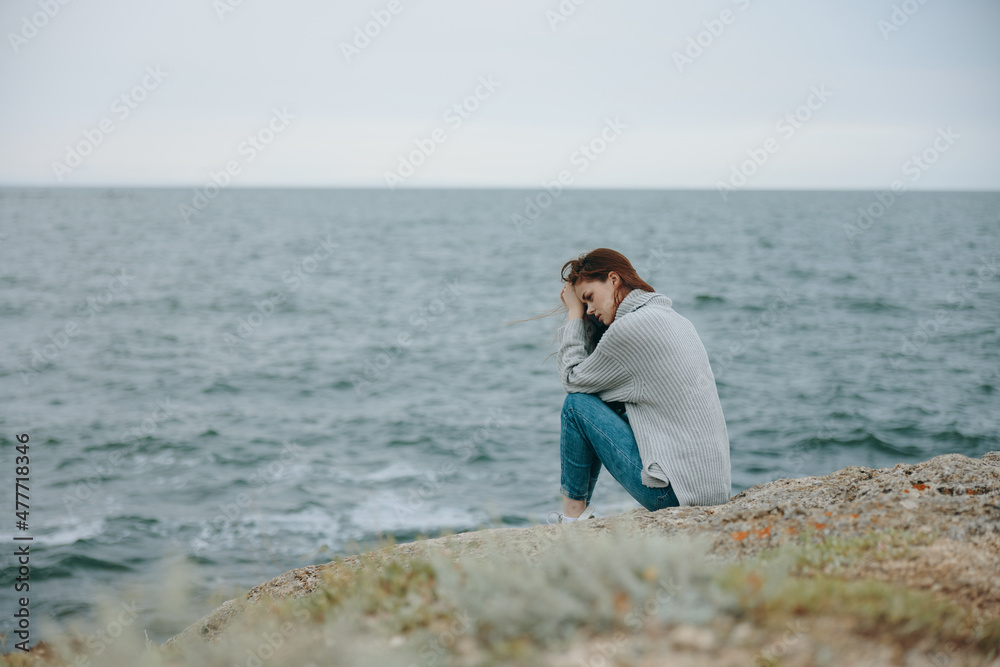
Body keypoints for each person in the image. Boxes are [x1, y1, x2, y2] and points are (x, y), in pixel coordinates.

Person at [547, 248, 731, 524]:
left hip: (674, 495)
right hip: (713, 489)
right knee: (602, 402)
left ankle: (572, 519)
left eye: (589, 299)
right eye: (584, 306)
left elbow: (573, 379)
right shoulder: (674, 318)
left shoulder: (630, 328)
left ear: (613, 279)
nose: (590, 309)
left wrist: (574, 315)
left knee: (576, 407)